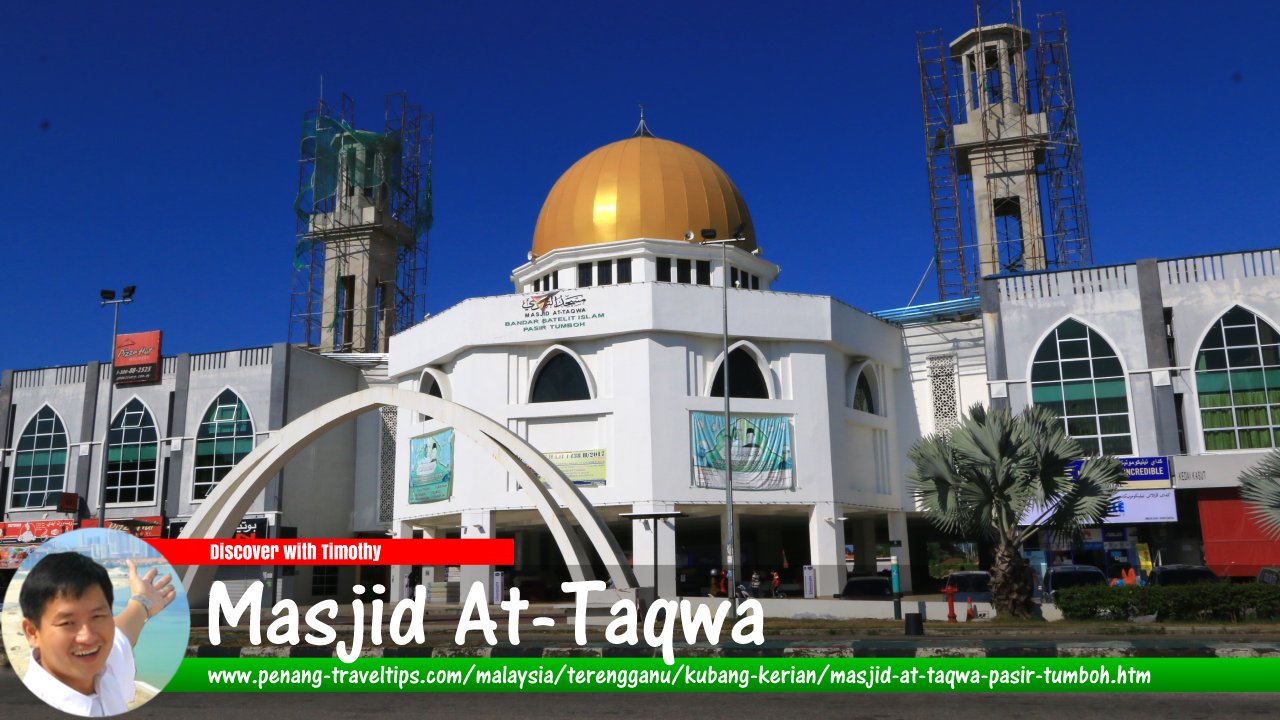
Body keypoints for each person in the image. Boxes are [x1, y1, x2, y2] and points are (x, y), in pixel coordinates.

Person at [19, 552, 177, 717]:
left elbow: (121, 635)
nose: (87, 637)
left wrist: (142, 601)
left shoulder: (103, 668)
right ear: (32, 632)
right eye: (67, 623)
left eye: (97, 616)